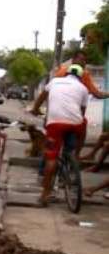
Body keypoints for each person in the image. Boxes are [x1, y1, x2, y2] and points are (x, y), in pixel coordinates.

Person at [31, 64, 90, 206]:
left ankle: (45, 195)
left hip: (55, 124)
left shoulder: (55, 81)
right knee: (82, 125)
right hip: (75, 124)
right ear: (80, 77)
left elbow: (41, 97)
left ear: (66, 73)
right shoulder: (83, 88)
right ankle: (75, 155)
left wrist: (35, 109)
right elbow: (82, 112)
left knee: (51, 157)